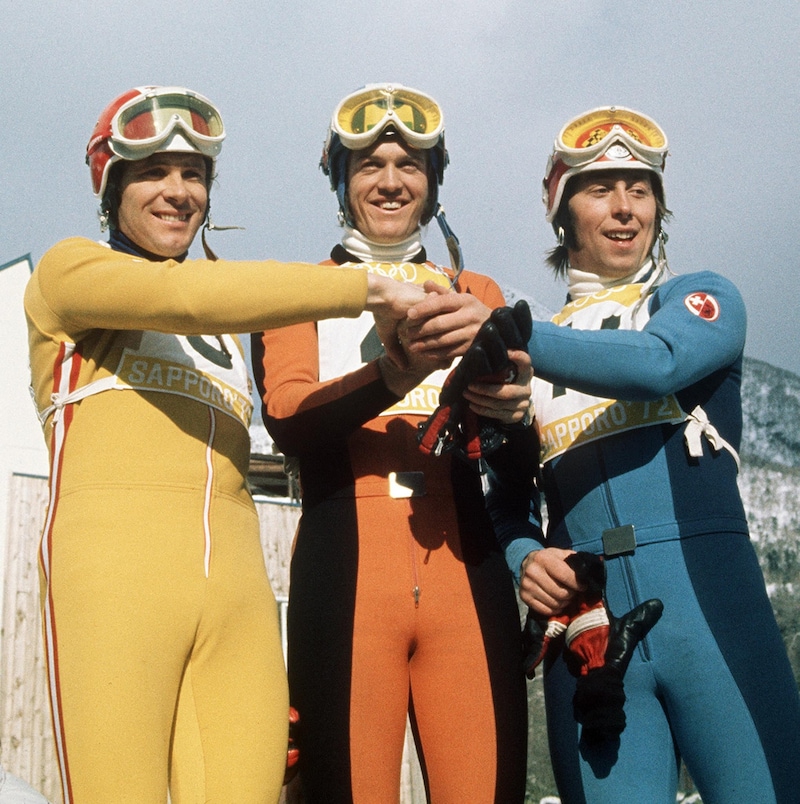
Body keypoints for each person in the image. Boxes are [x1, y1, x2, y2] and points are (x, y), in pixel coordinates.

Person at [24, 85, 427, 804]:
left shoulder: (226, 333)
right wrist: (368, 288)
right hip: (115, 587)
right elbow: (186, 295)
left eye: (195, 174)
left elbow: (215, 303)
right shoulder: (71, 274)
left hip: (238, 603)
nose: (178, 192)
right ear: (111, 184)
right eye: (153, 171)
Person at [415, 104, 800, 803]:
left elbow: (657, 365)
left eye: (641, 189)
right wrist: (524, 557)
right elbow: (506, 503)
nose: (624, 209)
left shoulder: (697, 299)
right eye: (599, 189)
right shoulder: (524, 357)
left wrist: (516, 331)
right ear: (562, 213)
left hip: (715, 616)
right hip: (589, 635)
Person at [251, 83, 529, 803]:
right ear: (341, 183)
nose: (390, 181)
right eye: (369, 164)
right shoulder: (296, 291)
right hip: (346, 564)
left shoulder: (477, 289)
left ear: (434, 183)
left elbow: (514, 454)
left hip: (466, 567)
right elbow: (287, 418)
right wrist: (394, 372)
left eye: (410, 164)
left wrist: (513, 414)